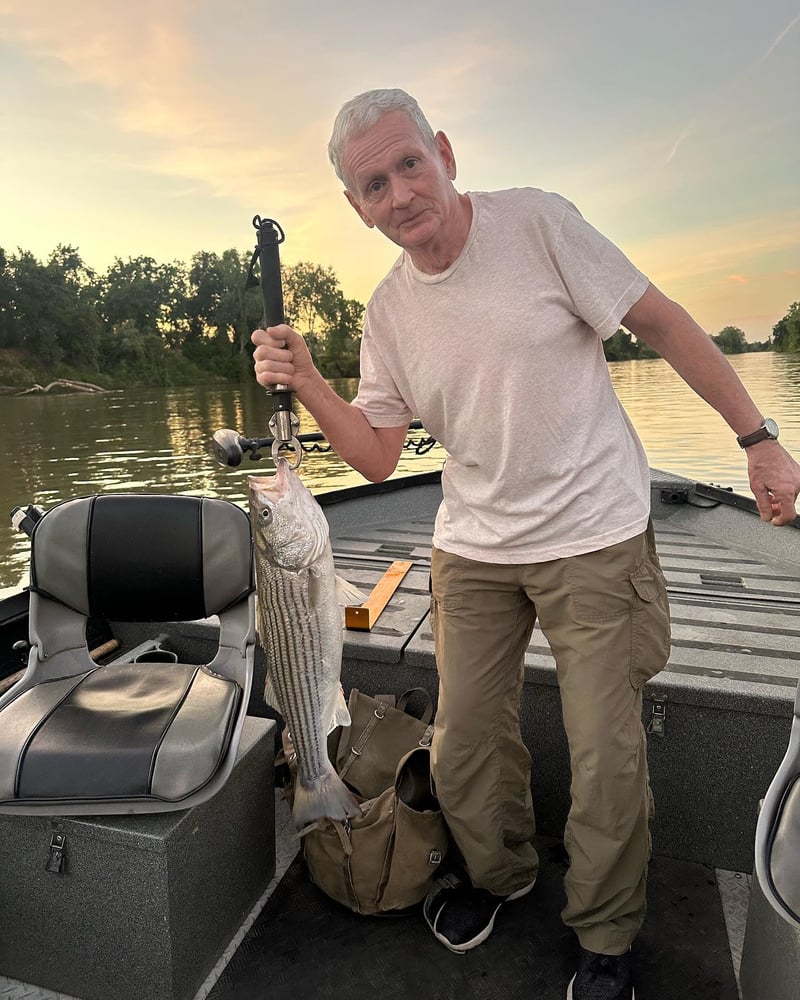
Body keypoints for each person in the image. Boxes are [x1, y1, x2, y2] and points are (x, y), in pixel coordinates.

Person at [252, 88, 800, 1000]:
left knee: (606, 751)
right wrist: (307, 378)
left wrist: (758, 440)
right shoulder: (387, 312)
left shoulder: (539, 225)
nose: (399, 194)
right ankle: (499, 874)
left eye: (408, 164)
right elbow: (380, 457)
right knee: (464, 741)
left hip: (595, 532)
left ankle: (607, 935)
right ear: (357, 206)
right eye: (373, 184)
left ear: (447, 153)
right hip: (474, 541)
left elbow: (659, 321)